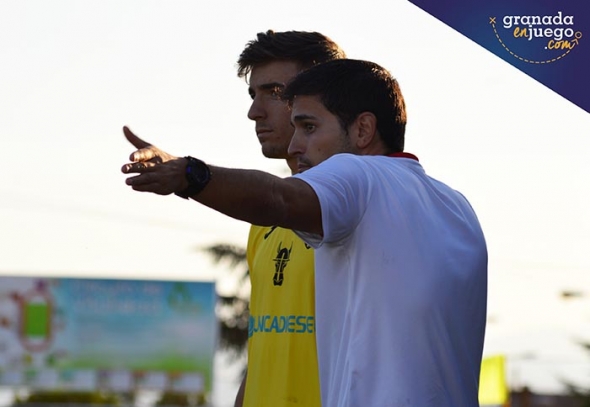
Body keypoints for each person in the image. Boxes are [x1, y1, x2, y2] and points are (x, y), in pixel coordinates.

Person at [121, 58, 487, 406]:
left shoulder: (357, 175)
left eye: (309, 127)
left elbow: (277, 198)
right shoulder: (457, 206)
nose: (295, 147)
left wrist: (188, 174)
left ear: (363, 130)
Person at [122, 30, 345, 407]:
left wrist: (188, 174)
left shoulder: (356, 210)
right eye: (252, 94)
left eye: (274, 92)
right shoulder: (263, 225)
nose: (254, 111)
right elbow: (263, 351)